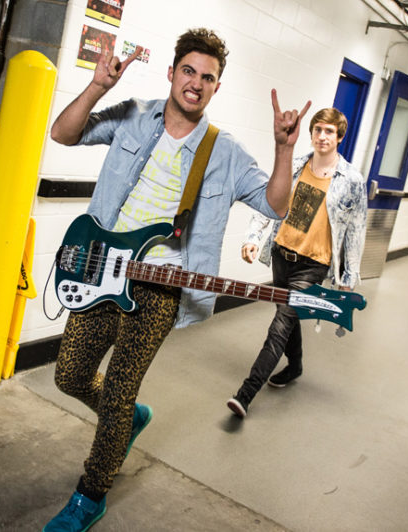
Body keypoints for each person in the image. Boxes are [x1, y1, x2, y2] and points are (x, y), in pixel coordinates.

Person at [45, 28, 310, 531]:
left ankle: (90, 494)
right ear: (171, 74)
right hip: (101, 270)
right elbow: (63, 133)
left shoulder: (223, 152)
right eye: (189, 71)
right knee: (70, 375)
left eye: (208, 77)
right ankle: (129, 419)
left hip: (160, 287)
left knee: (120, 391)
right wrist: (98, 86)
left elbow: (276, 206)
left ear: (216, 88)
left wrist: (283, 149)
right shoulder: (132, 116)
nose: (196, 83)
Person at [226, 107, 367, 419]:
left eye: (329, 131)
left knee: (280, 325)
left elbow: (356, 231)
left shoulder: (352, 181)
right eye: (318, 129)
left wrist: (348, 276)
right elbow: (270, 202)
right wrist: (252, 237)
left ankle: (245, 394)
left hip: (314, 264)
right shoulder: (295, 167)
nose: (322, 136)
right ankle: (296, 366)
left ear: (340, 136)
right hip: (282, 253)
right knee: (286, 315)